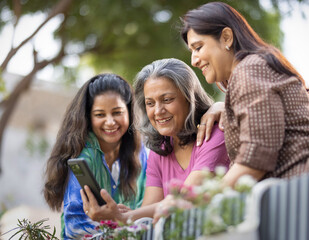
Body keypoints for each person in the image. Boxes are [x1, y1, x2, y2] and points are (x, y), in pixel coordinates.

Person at [180, 2, 309, 186]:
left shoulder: (250, 69)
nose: (193, 60)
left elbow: (255, 159)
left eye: (198, 47)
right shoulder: (250, 72)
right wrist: (220, 108)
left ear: (226, 37)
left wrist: (201, 201)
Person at [81, 58, 230, 223]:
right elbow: (150, 213)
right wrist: (122, 216)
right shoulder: (160, 149)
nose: (158, 111)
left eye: (167, 100)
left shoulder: (214, 133)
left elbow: (184, 198)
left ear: (189, 98)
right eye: (150, 103)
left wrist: (124, 217)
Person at [43, 73, 147, 239]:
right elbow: (74, 227)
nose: (110, 121)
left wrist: (118, 219)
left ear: (129, 112)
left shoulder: (140, 154)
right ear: (88, 118)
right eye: (100, 115)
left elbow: (146, 210)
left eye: (117, 112)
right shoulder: (84, 158)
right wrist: (121, 222)